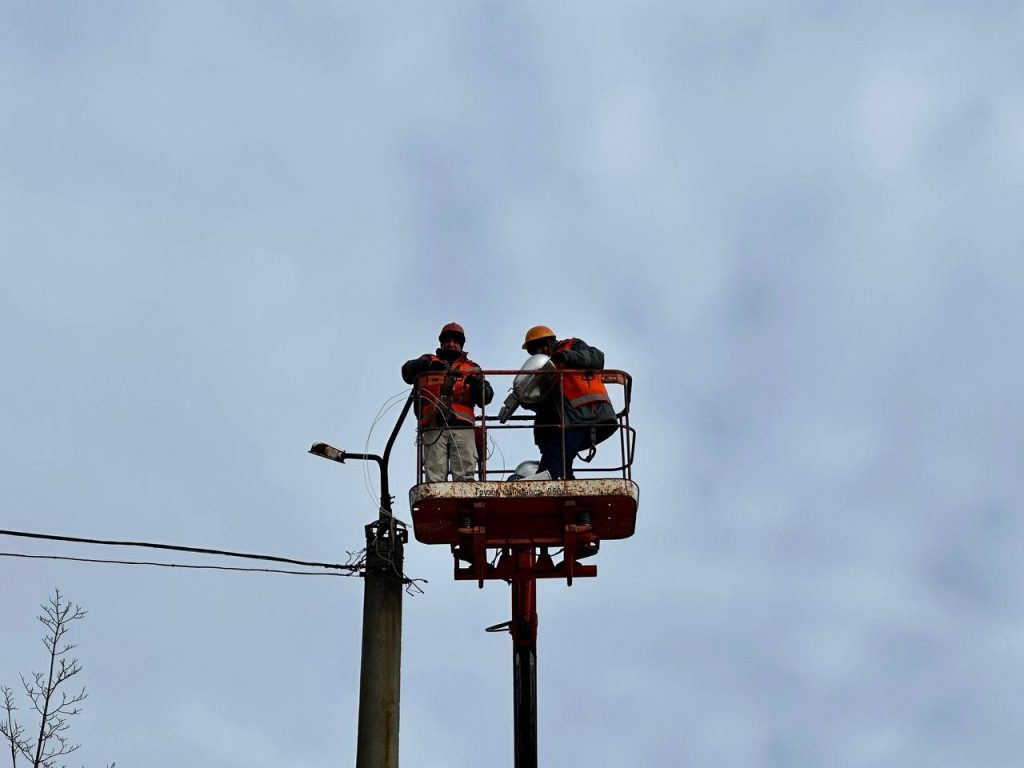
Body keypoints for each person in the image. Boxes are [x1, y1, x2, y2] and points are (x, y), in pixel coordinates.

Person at [517, 325, 617, 480]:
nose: (536, 353)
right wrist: (526, 397)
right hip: (570, 419)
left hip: (589, 412)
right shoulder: (545, 370)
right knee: (562, 452)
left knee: (557, 448)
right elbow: (546, 403)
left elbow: (597, 358)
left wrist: (566, 357)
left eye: (537, 348)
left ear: (548, 343)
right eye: (533, 352)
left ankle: (544, 481)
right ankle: (565, 480)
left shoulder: (572, 346)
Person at [402, 322, 493, 482]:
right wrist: (424, 364)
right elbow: (406, 372)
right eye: (447, 340)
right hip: (433, 426)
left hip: (462, 426)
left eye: (456, 341)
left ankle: (464, 502)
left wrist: (477, 383)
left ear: (461, 344)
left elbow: (486, 397)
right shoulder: (427, 361)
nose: (451, 344)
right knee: (435, 474)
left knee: (465, 475)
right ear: (441, 343)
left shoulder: (472, 368)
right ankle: (437, 502)